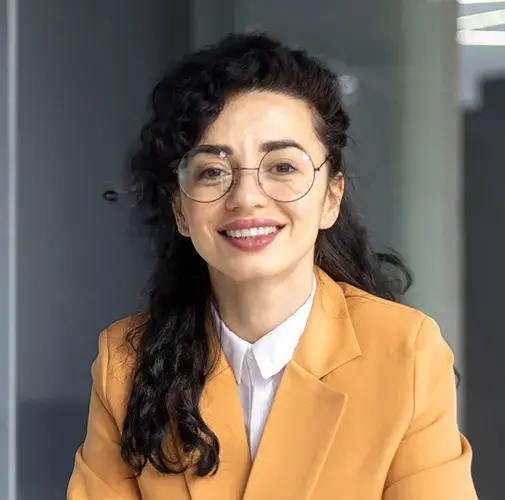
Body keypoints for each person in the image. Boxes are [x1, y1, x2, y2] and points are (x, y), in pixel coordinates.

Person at [67, 33, 477, 499]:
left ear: (331, 198)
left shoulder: (406, 354)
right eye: (213, 171)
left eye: (282, 167)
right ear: (182, 211)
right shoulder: (126, 360)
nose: (246, 198)